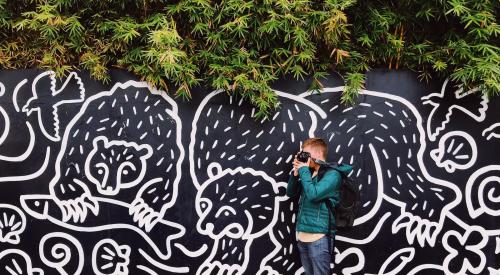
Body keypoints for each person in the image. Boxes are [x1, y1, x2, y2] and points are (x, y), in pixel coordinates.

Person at [286, 137, 352, 275]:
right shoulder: (309, 173)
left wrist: (303, 170)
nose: (302, 157)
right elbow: (290, 193)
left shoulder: (333, 175)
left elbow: (313, 195)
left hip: (319, 237)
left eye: (305, 154)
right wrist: (296, 173)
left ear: (316, 155)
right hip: (302, 235)